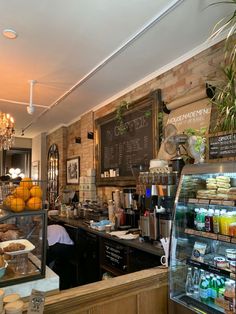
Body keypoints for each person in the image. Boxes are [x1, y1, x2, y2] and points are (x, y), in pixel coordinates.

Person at [46, 224, 75, 290]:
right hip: (65, 245)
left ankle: (55, 287)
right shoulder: (53, 227)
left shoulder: (46, 231)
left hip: (65, 247)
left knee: (46, 260)